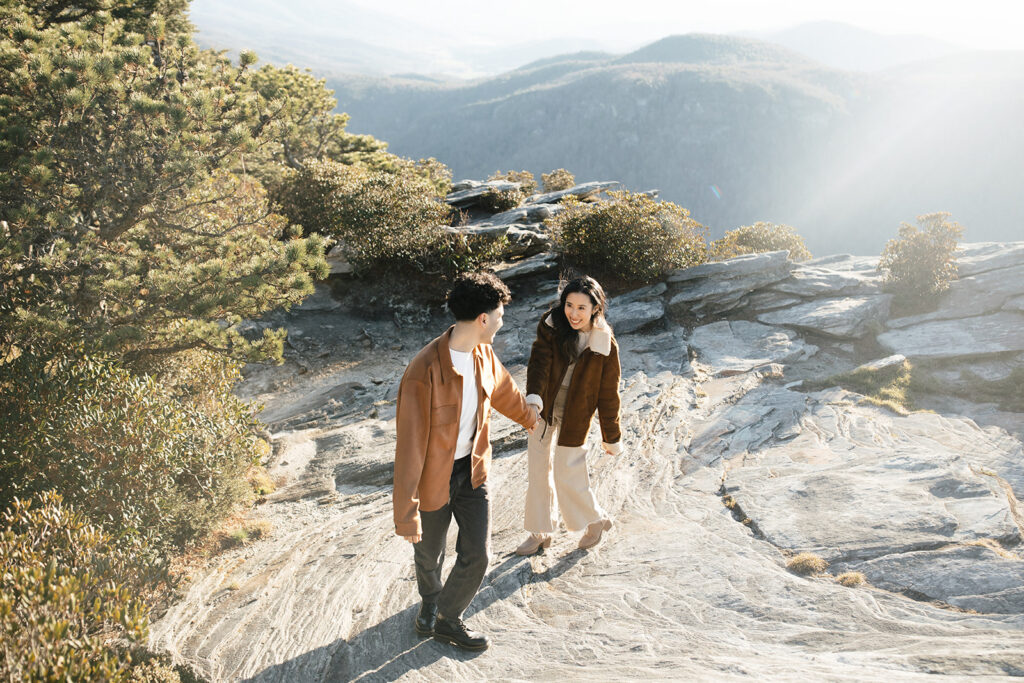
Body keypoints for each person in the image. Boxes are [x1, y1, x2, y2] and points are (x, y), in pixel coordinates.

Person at [393, 271, 538, 652]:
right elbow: (408, 447)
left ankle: (446, 617)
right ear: (483, 319)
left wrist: (530, 418)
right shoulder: (422, 371)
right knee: (429, 553)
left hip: (472, 471)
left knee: (478, 554)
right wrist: (405, 512)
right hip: (431, 477)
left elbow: (504, 391)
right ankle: (430, 602)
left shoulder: (484, 355)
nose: (503, 321)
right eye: (500, 315)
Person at [516, 275, 622, 556]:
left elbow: (608, 394)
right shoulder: (551, 326)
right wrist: (533, 403)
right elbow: (538, 363)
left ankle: (595, 521)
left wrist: (612, 437)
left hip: (576, 414)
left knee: (567, 472)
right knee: (537, 470)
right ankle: (540, 532)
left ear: (595, 309)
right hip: (544, 408)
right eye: (569, 305)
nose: (573, 314)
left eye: (581, 308)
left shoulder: (604, 344)